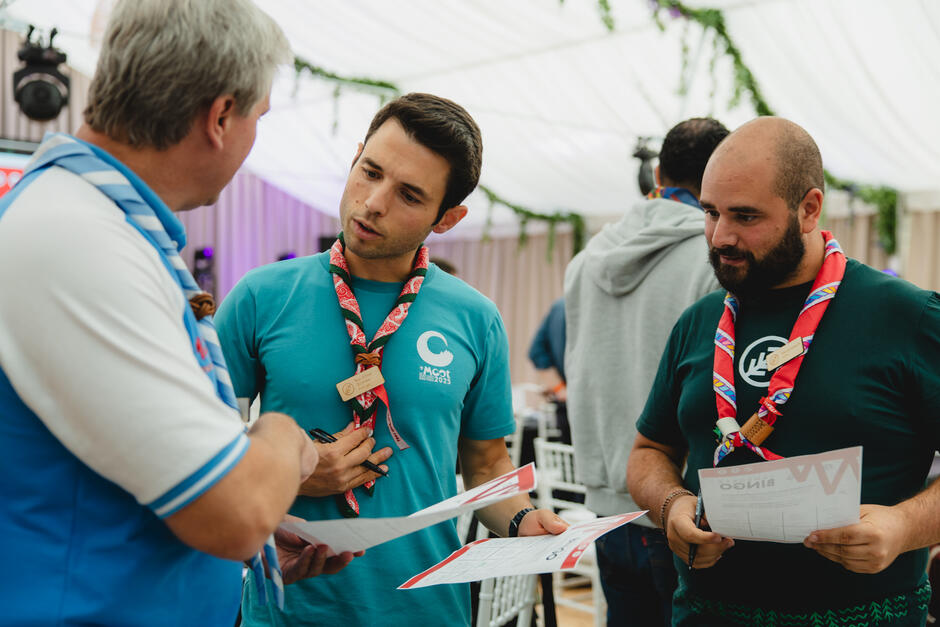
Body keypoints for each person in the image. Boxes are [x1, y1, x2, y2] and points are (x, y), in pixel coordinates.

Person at [0, 2, 357, 625]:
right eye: (258, 118)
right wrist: (283, 438)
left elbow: (126, 460)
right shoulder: (75, 236)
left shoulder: (103, 226)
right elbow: (235, 512)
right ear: (220, 116)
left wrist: (224, 556)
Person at [216, 92, 568, 626]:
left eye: (408, 194)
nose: (373, 202)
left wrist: (522, 519)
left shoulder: (475, 317)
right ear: (356, 156)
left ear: (447, 217)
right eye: (370, 171)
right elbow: (198, 442)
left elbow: (487, 464)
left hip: (423, 607)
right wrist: (287, 467)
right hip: (286, 608)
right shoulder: (261, 296)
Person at [627, 116, 940, 625]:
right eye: (710, 212)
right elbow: (650, 450)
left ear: (809, 209)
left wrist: (904, 526)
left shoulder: (909, 317)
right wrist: (672, 505)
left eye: (745, 216)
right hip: (707, 613)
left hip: (863, 615)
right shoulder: (700, 321)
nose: (720, 237)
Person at [565, 117, 728, 626]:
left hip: (605, 501)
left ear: (658, 171)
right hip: (676, 500)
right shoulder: (714, 260)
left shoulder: (587, 259)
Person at [528, 296, 570, 443]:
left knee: (569, 462)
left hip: (566, 406)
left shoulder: (559, 306)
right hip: (589, 406)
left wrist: (559, 388)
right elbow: (536, 351)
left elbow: (536, 351)